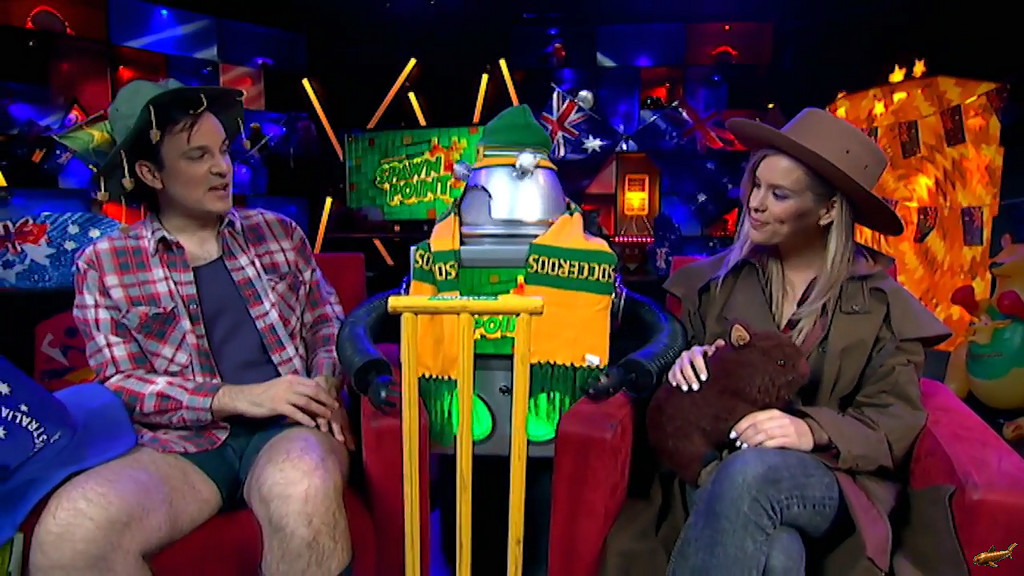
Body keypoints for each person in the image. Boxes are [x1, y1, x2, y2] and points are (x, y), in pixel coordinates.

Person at [603, 109, 965, 576]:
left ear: (828, 210)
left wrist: (811, 430)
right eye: (756, 185)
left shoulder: (882, 306)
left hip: (831, 476)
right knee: (778, 553)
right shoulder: (717, 285)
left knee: (753, 474)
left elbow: (892, 419)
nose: (755, 203)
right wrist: (685, 361)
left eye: (778, 194)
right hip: (712, 466)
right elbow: (671, 397)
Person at [28, 79, 355, 576]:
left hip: (286, 429)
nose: (223, 167)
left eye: (222, 150)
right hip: (179, 447)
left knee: (302, 482)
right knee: (70, 529)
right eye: (198, 156)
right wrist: (235, 397)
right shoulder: (103, 263)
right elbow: (122, 383)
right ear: (149, 173)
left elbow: (325, 319)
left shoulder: (279, 233)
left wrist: (325, 383)